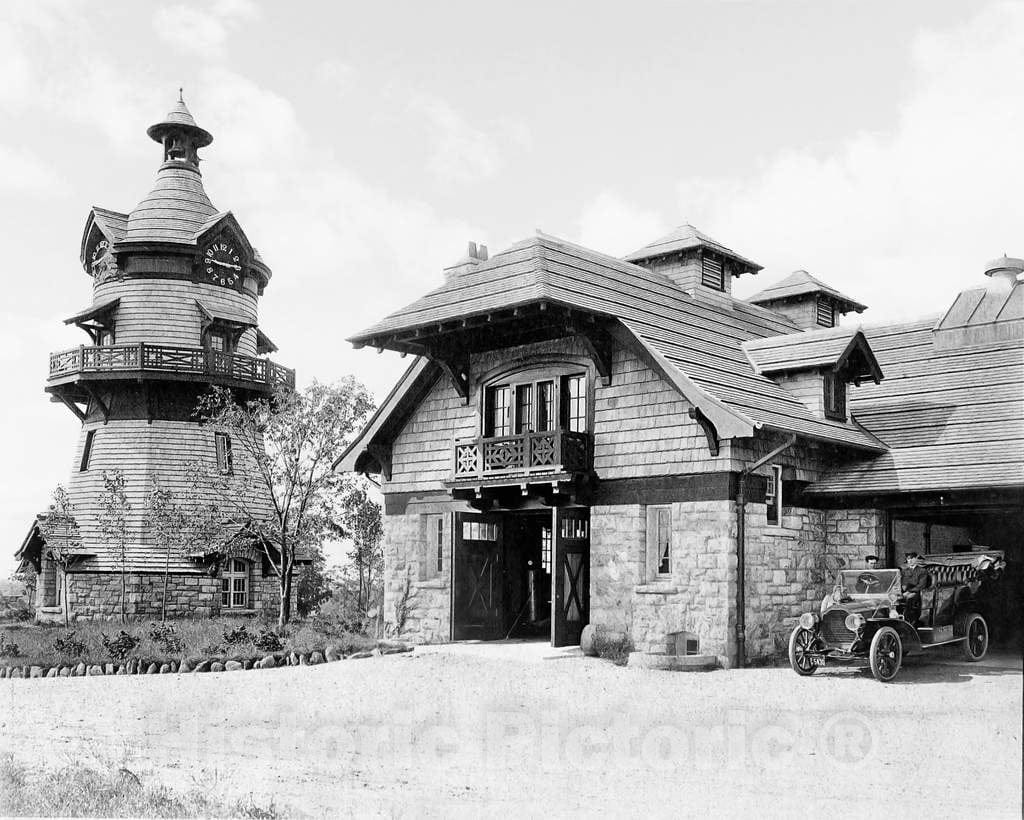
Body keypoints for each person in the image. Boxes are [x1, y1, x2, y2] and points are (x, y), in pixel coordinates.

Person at [900, 552, 932, 625]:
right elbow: (901, 582)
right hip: (904, 591)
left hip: (917, 592)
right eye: (908, 559)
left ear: (916, 559)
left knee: (909, 598)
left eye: (912, 558)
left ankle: (910, 621)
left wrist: (909, 591)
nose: (910, 561)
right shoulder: (904, 571)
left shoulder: (922, 571)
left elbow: (921, 585)